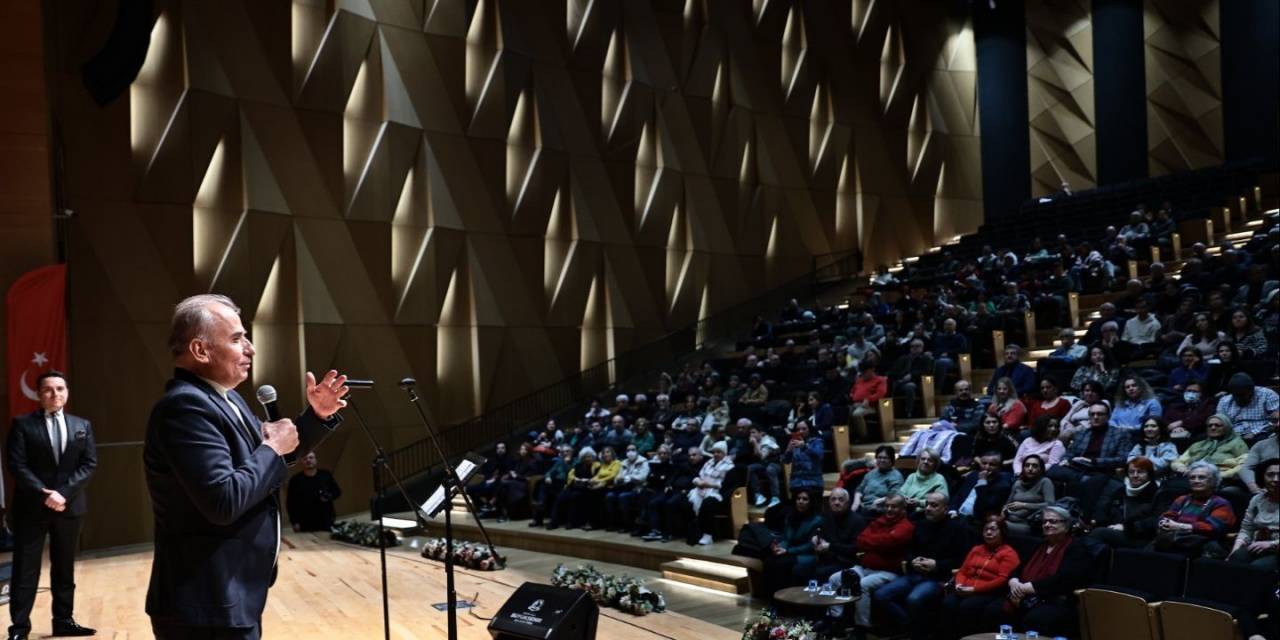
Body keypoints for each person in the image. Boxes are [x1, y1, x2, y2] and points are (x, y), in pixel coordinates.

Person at [145, 295, 347, 639]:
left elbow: (269, 463)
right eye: (237, 339)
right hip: (203, 606)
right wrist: (270, 446)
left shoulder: (226, 398)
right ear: (200, 350)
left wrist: (316, 417)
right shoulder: (184, 409)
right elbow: (223, 500)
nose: (250, 349)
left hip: (232, 596)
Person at [7, 371, 98, 639]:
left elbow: (88, 464)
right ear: (38, 394)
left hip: (69, 508)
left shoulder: (82, 425)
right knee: (25, 570)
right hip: (31, 508)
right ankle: (19, 629)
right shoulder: (22, 425)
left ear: (67, 392)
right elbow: (17, 465)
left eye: (60, 389)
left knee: (64, 567)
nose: (55, 394)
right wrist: (43, 493)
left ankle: (64, 621)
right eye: (48, 389)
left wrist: (63, 494)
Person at [981, 505, 1093, 638]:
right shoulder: (1039, 545)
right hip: (1025, 595)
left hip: (1056, 599)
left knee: (1036, 619)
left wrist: (1030, 587)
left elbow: (1066, 579)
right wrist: (1014, 581)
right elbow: (1018, 569)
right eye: (1045, 521)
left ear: (1067, 525)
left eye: (1053, 521)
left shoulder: (1077, 547)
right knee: (993, 609)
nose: (1047, 524)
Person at [874, 492, 971, 640]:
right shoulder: (920, 525)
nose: (928, 508)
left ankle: (915, 633)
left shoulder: (957, 529)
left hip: (938, 578)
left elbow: (962, 559)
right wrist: (913, 560)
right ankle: (912, 629)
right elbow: (908, 551)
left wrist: (937, 565)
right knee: (880, 595)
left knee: (914, 599)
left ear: (945, 508)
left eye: (934, 505)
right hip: (915, 574)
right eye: (927, 504)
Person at [821, 494, 915, 640]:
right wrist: (879, 541)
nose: (889, 509)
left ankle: (861, 628)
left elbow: (890, 542)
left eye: (894, 506)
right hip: (863, 567)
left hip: (888, 572)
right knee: (834, 578)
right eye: (887, 506)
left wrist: (873, 541)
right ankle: (835, 621)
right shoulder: (879, 521)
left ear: (903, 509)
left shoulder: (906, 526)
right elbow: (860, 540)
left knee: (862, 585)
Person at [939, 516, 1020, 639]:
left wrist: (974, 590)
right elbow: (962, 571)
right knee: (948, 603)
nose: (988, 532)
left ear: (1002, 532)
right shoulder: (976, 549)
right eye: (986, 529)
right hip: (966, 588)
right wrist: (959, 584)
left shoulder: (1009, 553)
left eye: (993, 529)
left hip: (990, 592)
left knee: (967, 606)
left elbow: (1002, 579)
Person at [1153, 461, 1236, 558]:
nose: (1196, 481)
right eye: (1192, 477)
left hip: (1202, 548)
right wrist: (1163, 522)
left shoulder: (1221, 503)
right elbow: (1167, 516)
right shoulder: (1182, 499)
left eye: (1202, 477)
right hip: (1174, 541)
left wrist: (1179, 526)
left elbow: (1213, 528)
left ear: (1214, 481)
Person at [1049, 402, 1132, 486]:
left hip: (1101, 470)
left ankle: (1082, 480)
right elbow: (1070, 453)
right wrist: (1065, 460)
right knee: (1052, 471)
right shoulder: (1082, 433)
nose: (1095, 417)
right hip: (1078, 468)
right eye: (1092, 414)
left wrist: (1094, 461)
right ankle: (1081, 479)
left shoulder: (1120, 434)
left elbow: (1123, 459)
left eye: (1100, 414)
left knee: (1094, 481)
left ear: (1108, 417)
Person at [761, 488, 824, 594]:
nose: (800, 501)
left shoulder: (816, 520)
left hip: (806, 553)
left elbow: (810, 545)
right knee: (768, 561)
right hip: (789, 550)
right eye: (798, 498)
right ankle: (770, 598)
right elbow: (786, 538)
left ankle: (783, 599)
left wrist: (788, 551)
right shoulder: (791, 516)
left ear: (811, 502)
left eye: (805, 499)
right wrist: (779, 547)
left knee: (781, 564)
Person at [1089, 457, 1161, 548]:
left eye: (1140, 472)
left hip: (1140, 537)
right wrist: (1097, 521)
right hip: (1115, 530)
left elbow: (1155, 520)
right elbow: (1105, 509)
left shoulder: (1157, 493)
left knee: (1098, 534)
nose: (1135, 475)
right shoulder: (1121, 490)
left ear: (1149, 474)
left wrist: (1126, 528)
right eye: (1131, 472)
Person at [1229, 458, 1279, 569]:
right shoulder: (1257, 500)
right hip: (1257, 545)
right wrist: (1235, 550)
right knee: (1235, 559)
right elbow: (1247, 529)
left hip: (1276, 549)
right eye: (1270, 475)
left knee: (1257, 568)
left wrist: (1271, 544)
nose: (1276, 479)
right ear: (1262, 478)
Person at [687, 441, 734, 545]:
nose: (716, 454)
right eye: (714, 452)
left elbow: (725, 484)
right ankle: (693, 532)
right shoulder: (708, 462)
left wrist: (708, 485)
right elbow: (700, 476)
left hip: (717, 492)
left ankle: (708, 534)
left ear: (724, 453)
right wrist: (697, 481)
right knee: (684, 501)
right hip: (701, 488)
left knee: (708, 503)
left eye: (719, 452)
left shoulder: (730, 466)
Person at [812, 488, 865, 580]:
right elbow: (818, 531)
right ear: (829, 502)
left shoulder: (857, 521)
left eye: (841, 499)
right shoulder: (827, 517)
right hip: (828, 559)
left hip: (847, 562)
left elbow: (855, 548)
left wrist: (830, 547)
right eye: (833, 499)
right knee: (803, 567)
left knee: (820, 572)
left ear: (848, 503)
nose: (836, 502)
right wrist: (815, 537)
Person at [285, 451, 341, 532]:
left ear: (316, 460)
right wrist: (294, 522)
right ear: (301, 462)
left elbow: (337, 492)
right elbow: (290, 503)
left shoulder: (325, 475)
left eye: (311, 458)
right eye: (305, 459)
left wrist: (329, 496)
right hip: (305, 522)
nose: (308, 460)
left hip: (326, 519)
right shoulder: (295, 480)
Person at [1217, 373, 1280, 444]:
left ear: (1252, 391)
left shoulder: (1267, 395)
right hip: (1234, 435)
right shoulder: (1225, 401)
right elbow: (1220, 422)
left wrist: (1254, 432)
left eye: (1242, 395)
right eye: (1235, 395)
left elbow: (1276, 421)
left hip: (1262, 433)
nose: (1238, 399)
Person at [950, 451, 1014, 521]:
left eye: (992, 464)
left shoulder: (1003, 485)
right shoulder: (973, 475)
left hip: (975, 521)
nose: (987, 467)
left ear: (999, 467)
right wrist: (953, 510)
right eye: (984, 463)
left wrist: (982, 482)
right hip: (957, 515)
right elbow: (958, 495)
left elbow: (984, 507)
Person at [1003, 454, 1055, 535]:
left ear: (1040, 469)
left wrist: (1024, 505)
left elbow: (1051, 505)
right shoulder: (1018, 483)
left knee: (998, 527)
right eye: (1027, 465)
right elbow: (1007, 504)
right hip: (1009, 520)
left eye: (1034, 466)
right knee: (991, 524)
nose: (1030, 469)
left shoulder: (1045, 482)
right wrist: (1003, 512)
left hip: (1027, 524)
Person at [604, 444, 649, 532]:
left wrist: (629, 478)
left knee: (623, 497)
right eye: (628, 450)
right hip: (622, 487)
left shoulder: (643, 462)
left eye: (633, 450)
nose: (630, 452)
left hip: (636, 489)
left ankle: (627, 525)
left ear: (637, 451)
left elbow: (642, 477)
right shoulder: (623, 462)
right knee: (609, 496)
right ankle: (612, 524)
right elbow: (616, 479)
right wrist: (619, 480)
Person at [887, 339, 934, 419]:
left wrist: (912, 376)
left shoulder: (926, 359)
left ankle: (909, 412)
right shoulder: (903, 358)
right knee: (887, 382)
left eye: (917, 346)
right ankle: (888, 413)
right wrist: (901, 377)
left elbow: (927, 372)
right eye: (912, 346)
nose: (914, 348)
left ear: (922, 348)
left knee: (910, 386)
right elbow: (893, 371)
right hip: (900, 382)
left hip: (918, 383)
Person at [528, 446, 573, 528]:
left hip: (567, 484)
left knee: (546, 488)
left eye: (567, 451)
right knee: (542, 483)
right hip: (555, 484)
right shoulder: (559, 462)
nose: (565, 453)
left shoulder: (575, 461)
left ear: (572, 452)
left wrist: (566, 463)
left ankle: (553, 522)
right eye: (563, 452)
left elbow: (570, 474)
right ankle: (540, 507)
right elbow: (550, 471)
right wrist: (548, 477)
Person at [852, 445, 904, 515]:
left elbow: (895, 496)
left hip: (881, 509)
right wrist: (856, 503)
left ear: (891, 460)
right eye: (879, 457)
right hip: (863, 507)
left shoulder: (896, 476)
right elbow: (860, 489)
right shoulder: (871, 473)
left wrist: (878, 502)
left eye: (885, 458)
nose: (882, 460)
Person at [1240, 412, 1279, 495]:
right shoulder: (1261, 445)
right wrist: (1254, 487)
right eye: (1275, 421)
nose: (1278, 424)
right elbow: (1245, 468)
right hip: (1266, 490)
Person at [848, 362, 888, 442]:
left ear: (872, 370)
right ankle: (851, 436)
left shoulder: (880, 380)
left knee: (857, 414)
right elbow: (852, 391)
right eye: (861, 372)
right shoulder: (859, 380)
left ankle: (863, 437)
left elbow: (881, 393)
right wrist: (852, 395)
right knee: (844, 412)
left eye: (864, 372)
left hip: (870, 406)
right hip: (856, 404)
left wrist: (868, 399)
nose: (862, 374)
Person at [783, 421, 824, 493]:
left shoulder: (817, 441)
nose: (800, 431)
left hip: (813, 482)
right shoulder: (794, 442)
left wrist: (805, 446)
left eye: (804, 429)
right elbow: (786, 461)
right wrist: (788, 451)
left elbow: (819, 455)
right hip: (796, 483)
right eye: (798, 429)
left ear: (809, 429)